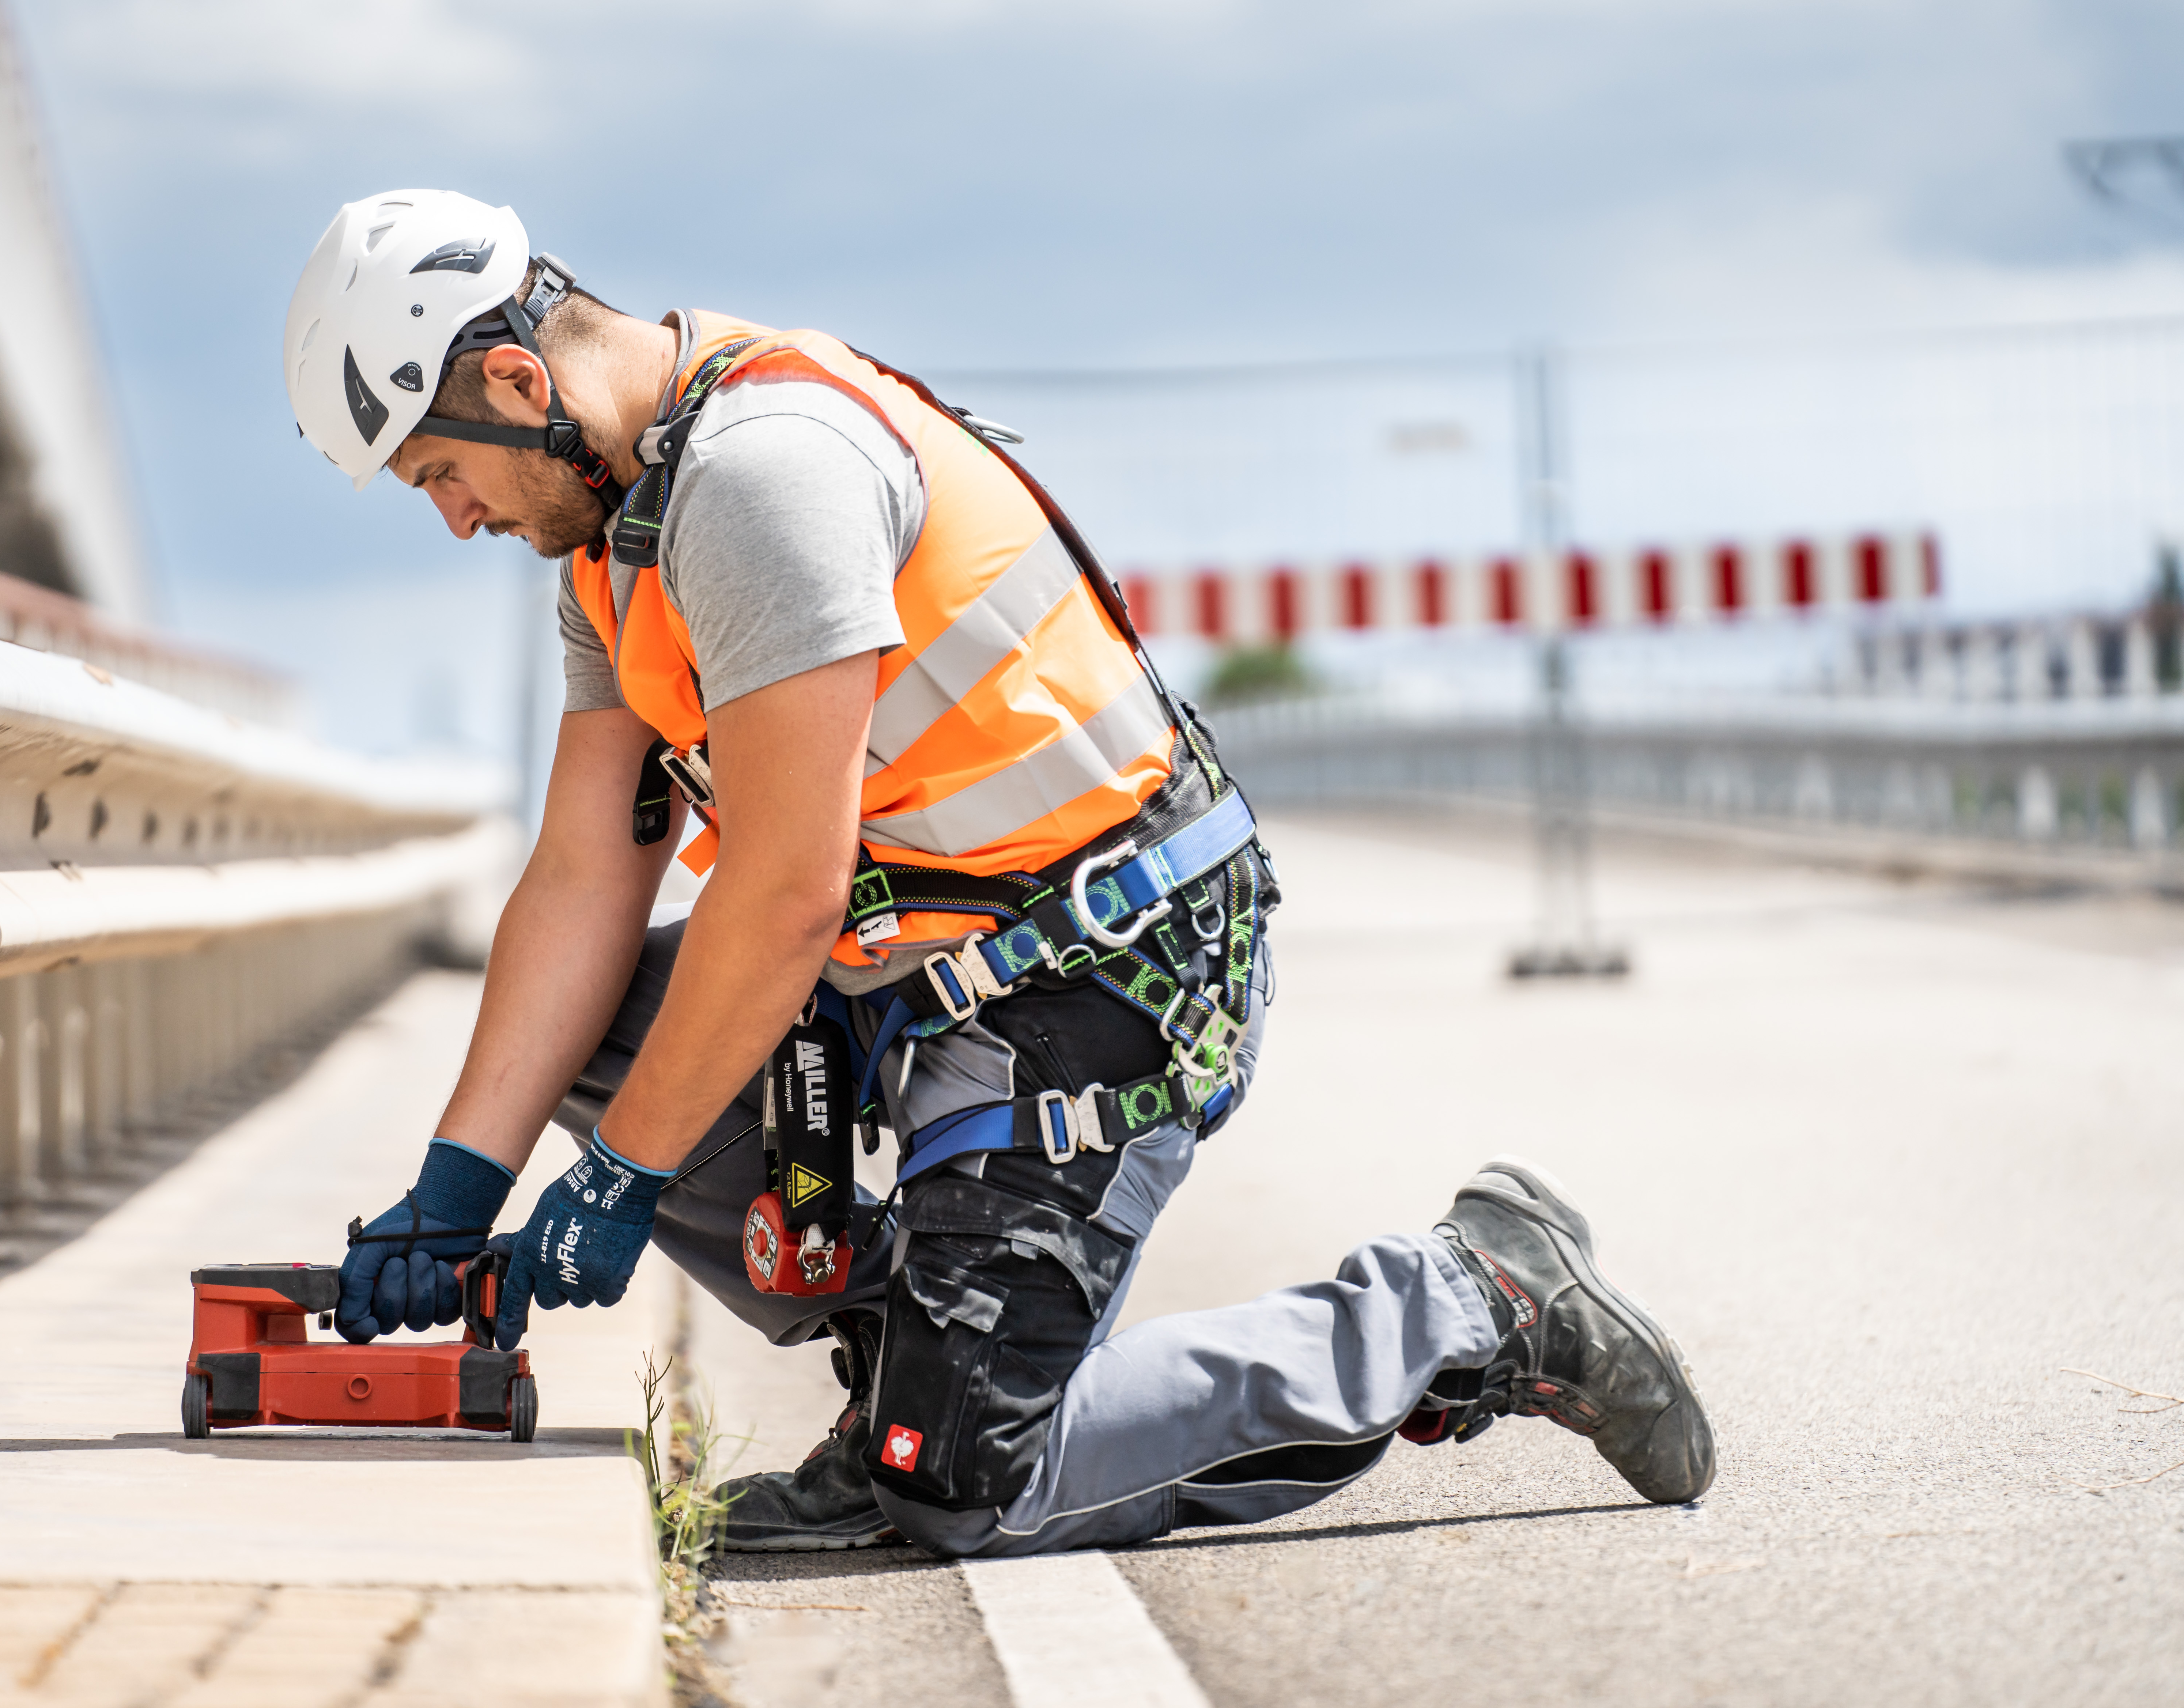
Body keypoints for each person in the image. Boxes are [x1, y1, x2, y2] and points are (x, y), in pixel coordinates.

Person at [283, 188, 1715, 1557]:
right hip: (923, 978)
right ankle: (905, 1383)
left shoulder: (760, 481)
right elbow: (587, 872)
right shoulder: (614, 543)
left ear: (525, 388)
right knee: (593, 1037)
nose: (453, 518)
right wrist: (451, 1190)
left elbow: (784, 887)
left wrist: (622, 1173)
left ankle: (1467, 1298)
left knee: (976, 1488)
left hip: (1108, 972)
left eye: (441, 474)